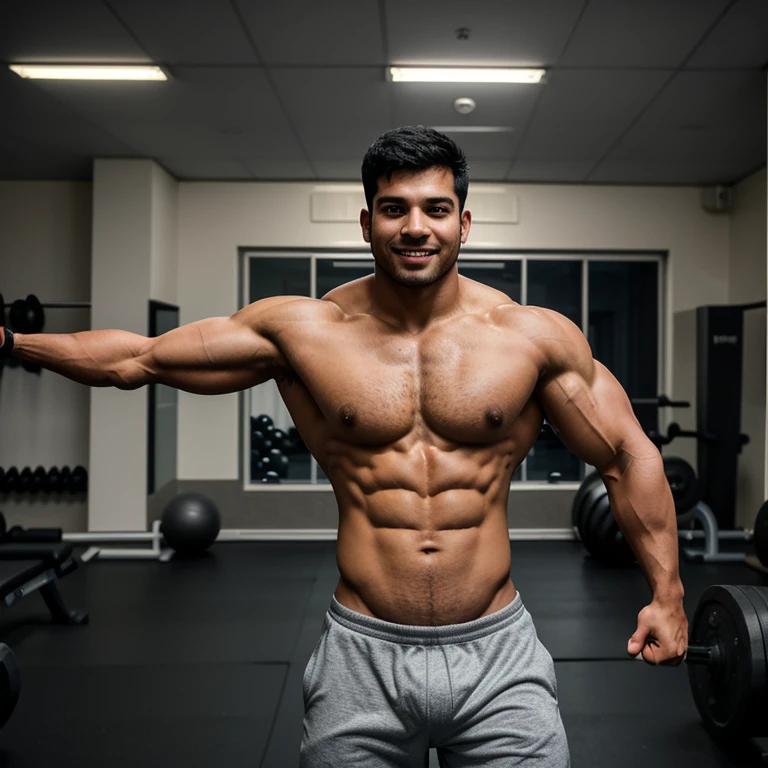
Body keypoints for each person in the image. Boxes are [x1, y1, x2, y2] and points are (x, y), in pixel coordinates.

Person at [0, 126, 687, 767]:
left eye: (436, 208)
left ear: (464, 223)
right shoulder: (304, 334)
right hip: (362, 657)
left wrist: (669, 593)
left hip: (498, 651)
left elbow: (626, 455)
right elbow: (139, 359)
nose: (415, 227)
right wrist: (12, 342)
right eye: (394, 209)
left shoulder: (532, 338)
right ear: (367, 223)